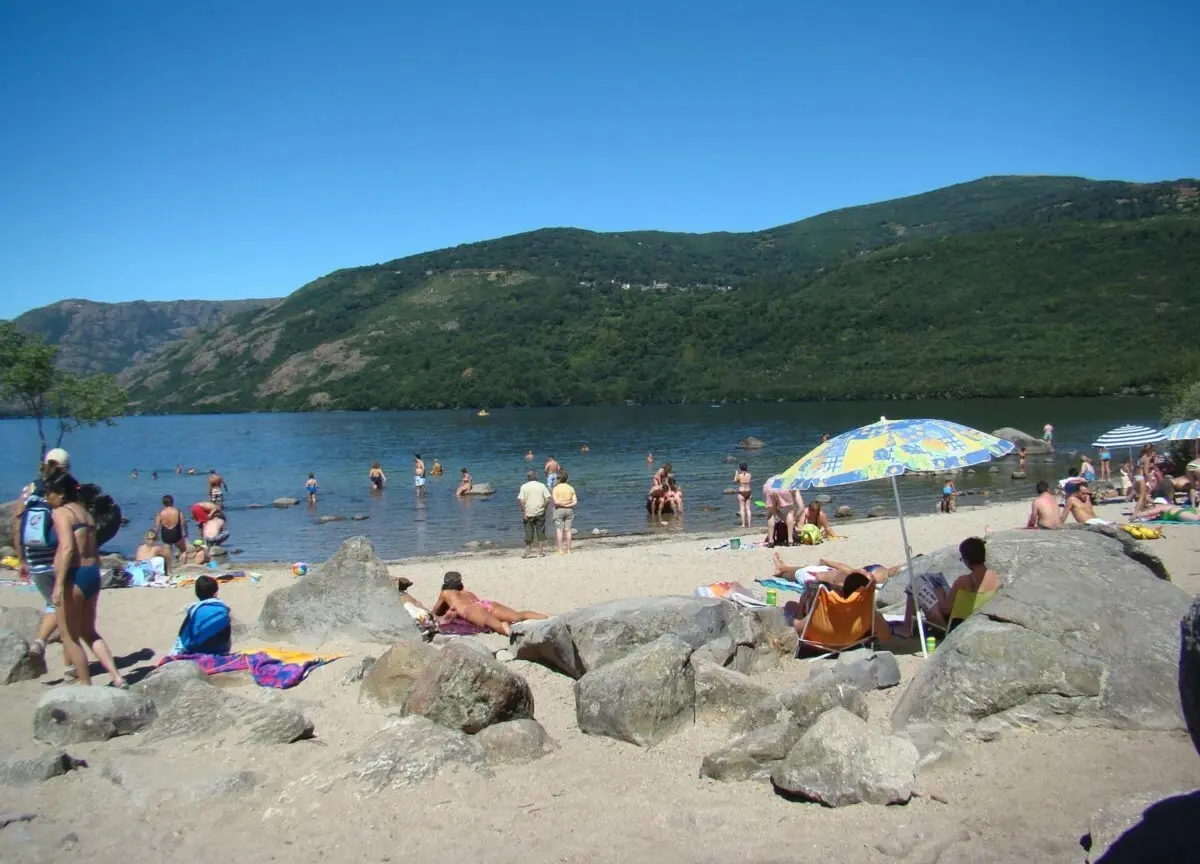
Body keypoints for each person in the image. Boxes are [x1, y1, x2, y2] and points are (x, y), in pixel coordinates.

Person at [43, 470, 125, 687]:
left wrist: (59, 584)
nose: (46, 498)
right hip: (92, 574)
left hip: (74, 574)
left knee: (69, 635)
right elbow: (94, 549)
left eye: (48, 493)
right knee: (89, 631)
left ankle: (86, 685)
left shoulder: (62, 513)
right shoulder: (85, 513)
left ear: (60, 494)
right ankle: (117, 677)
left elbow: (68, 548)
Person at [14, 455, 65, 660]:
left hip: (34, 557)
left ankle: (45, 645)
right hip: (55, 556)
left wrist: (22, 560)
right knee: (62, 606)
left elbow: (18, 525)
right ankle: (43, 643)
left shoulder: (27, 491)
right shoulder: (61, 491)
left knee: (52, 604)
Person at [432, 571, 546, 636]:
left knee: (497, 626)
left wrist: (444, 614)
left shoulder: (445, 593)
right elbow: (477, 604)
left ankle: (507, 629)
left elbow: (434, 613)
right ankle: (546, 618)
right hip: (483, 603)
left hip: (472, 610)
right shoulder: (467, 592)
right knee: (517, 615)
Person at [924, 537, 1001, 631]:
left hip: (958, 626)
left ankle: (909, 628)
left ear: (967, 559)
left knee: (917, 587)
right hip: (979, 621)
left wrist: (940, 594)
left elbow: (945, 610)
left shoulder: (963, 581)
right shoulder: (994, 576)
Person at [172, 575, 231, 655]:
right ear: (216, 593)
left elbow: (184, 636)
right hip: (223, 651)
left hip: (199, 651)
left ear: (196, 593)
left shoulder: (194, 611)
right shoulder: (223, 609)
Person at [517, 470, 551, 558]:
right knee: (540, 531)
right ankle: (540, 552)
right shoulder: (542, 485)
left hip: (528, 513)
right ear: (536, 476)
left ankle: (527, 551)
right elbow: (548, 499)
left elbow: (521, 501)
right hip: (540, 512)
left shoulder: (524, 487)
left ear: (528, 478)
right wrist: (544, 507)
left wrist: (524, 512)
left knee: (528, 532)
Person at [763, 477, 800, 547]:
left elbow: (776, 511)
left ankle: (771, 540)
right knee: (790, 511)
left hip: (768, 486)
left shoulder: (784, 476)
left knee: (771, 513)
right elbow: (801, 507)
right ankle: (790, 540)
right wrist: (794, 520)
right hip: (783, 487)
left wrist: (784, 519)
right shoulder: (795, 484)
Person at [552, 469, 578, 555]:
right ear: (567, 479)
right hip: (569, 510)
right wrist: (567, 503)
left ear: (558, 479)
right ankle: (569, 550)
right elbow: (575, 502)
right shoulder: (571, 488)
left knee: (559, 530)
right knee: (568, 530)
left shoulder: (555, 489)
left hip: (559, 510)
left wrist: (563, 504)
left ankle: (560, 550)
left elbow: (556, 502)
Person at [733, 463, 752, 529]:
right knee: (748, 509)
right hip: (748, 491)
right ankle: (749, 524)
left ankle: (743, 524)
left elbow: (734, 481)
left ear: (740, 468)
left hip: (741, 492)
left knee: (742, 509)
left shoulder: (739, 475)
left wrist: (736, 473)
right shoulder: (749, 475)